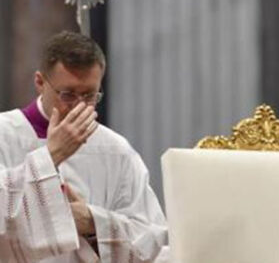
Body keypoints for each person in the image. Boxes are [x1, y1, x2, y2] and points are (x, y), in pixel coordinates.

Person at [0, 31, 167, 262]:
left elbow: (153, 237)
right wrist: (52, 155)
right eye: (68, 94)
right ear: (40, 82)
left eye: (89, 95)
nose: (79, 107)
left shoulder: (116, 150)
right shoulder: (4, 134)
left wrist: (92, 221)